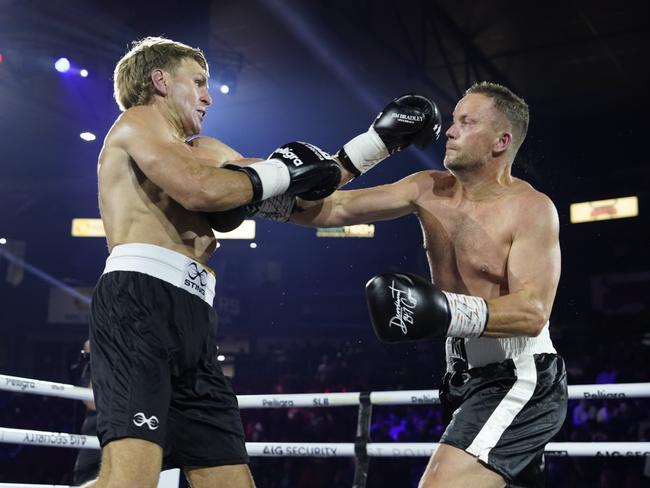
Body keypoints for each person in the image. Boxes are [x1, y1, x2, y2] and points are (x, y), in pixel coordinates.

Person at [87, 35, 439, 488]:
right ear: (159, 81)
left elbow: (319, 201)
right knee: (131, 482)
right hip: (139, 301)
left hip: (194, 315)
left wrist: (385, 150)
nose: (208, 96)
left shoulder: (209, 151)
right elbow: (201, 190)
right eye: (197, 82)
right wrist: (281, 174)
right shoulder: (135, 123)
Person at [286, 81, 568, 488]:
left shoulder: (531, 209)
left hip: (519, 375)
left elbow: (533, 312)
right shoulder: (427, 188)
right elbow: (333, 209)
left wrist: (443, 309)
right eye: (453, 120)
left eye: (466, 123)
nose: (450, 131)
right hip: (461, 375)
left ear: (500, 142)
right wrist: (267, 193)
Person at [72, 340, 101, 485]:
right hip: (95, 431)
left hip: (125, 431)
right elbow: (91, 402)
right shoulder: (97, 348)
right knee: (87, 479)